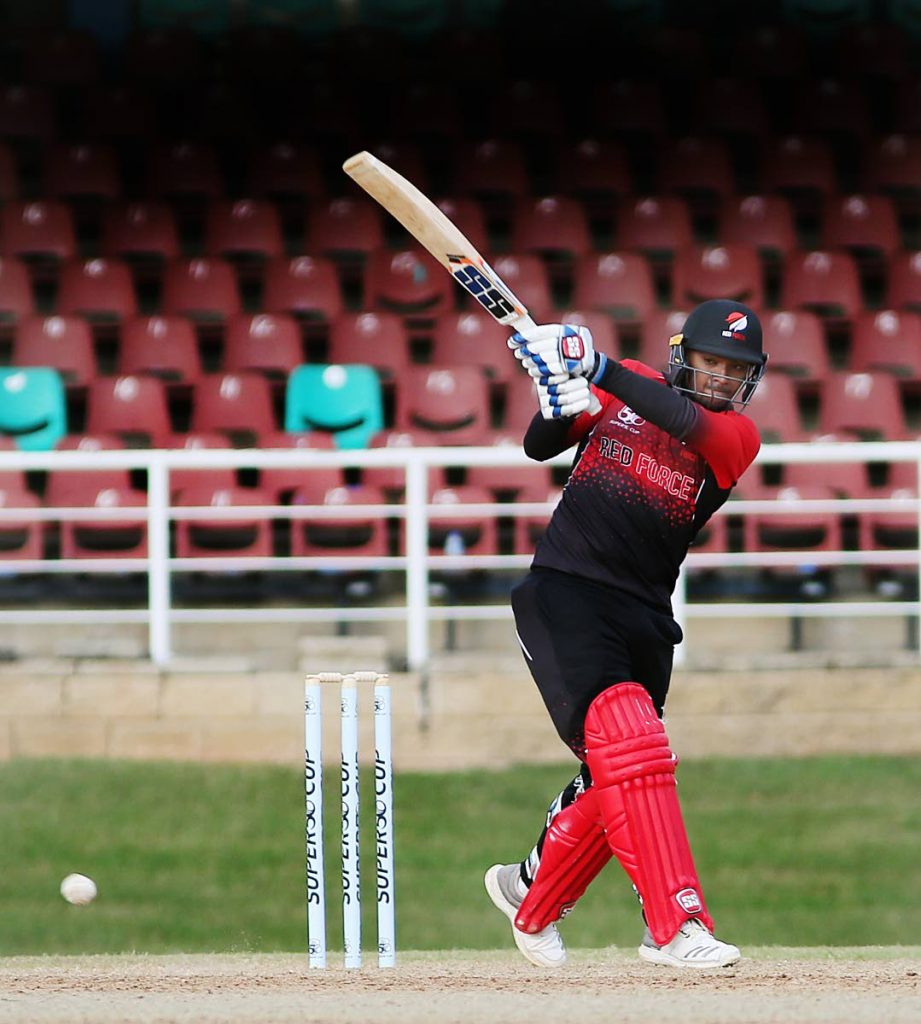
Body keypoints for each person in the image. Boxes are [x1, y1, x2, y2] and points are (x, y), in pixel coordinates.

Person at [484, 299, 767, 970]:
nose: (722, 379)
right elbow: (539, 444)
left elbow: (682, 419)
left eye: (736, 370)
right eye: (710, 364)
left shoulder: (736, 438)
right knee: (632, 746)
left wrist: (596, 364)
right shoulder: (623, 389)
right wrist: (559, 393)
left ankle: (528, 891)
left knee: (620, 769)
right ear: (680, 357)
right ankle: (675, 925)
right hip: (565, 592)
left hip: (643, 614)